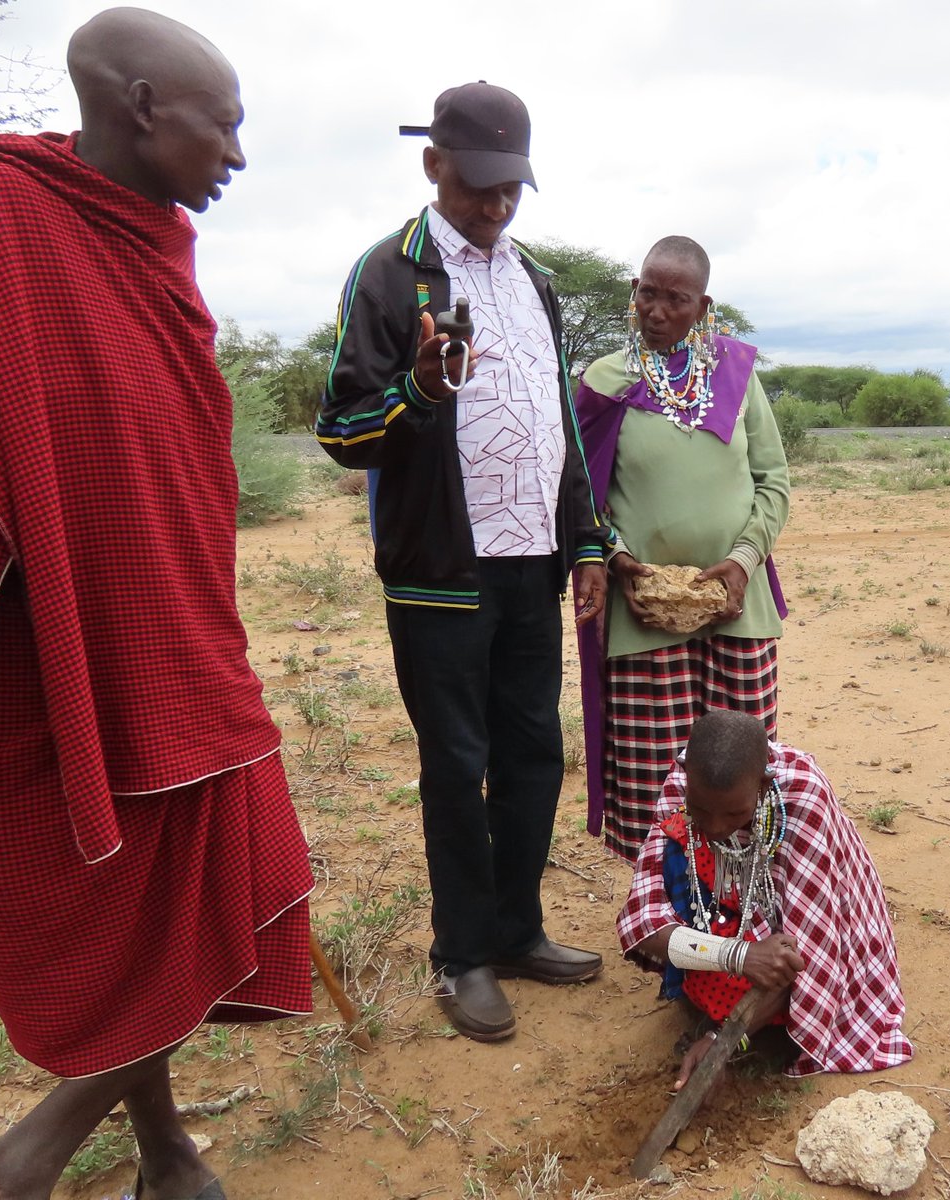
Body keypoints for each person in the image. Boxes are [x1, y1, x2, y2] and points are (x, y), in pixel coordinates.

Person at [0, 10, 312, 1199]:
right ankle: (25, 1159)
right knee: (172, 883)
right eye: (226, 124)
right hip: (32, 622)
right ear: (145, 105)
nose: (239, 154)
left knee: (167, 879)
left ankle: (164, 1150)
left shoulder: (153, 237)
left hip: (169, 615)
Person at [315, 82, 611, 1043]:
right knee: (458, 762)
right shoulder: (391, 277)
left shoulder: (535, 280)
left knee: (533, 754)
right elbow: (344, 429)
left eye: (510, 188)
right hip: (443, 570)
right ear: (433, 163)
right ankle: (462, 955)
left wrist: (589, 539)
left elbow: (557, 419)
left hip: (533, 562)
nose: (494, 205)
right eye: (478, 184)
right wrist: (419, 388)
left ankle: (517, 929)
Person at [574, 235, 791, 863]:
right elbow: (581, 492)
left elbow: (773, 483)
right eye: (648, 292)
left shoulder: (737, 374)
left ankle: (744, 895)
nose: (657, 309)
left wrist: (745, 561)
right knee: (656, 777)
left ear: (703, 306)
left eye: (677, 298)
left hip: (738, 605)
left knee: (743, 764)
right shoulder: (602, 382)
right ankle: (668, 906)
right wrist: (617, 559)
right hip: (644, 612)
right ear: (633, 292)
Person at [617, 711, 913, 1083]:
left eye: (735, 813)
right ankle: (722, 996)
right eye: (701, 810)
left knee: (783, 1020)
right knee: (681, 863)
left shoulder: (802, 796)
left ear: (763, 785)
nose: (716, 827)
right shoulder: (682, 782)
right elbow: (641, 924)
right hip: (744, 940)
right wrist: (740, 956)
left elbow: (804, 951)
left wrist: (722, 1040)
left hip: (801, 926)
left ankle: (755, 1022)